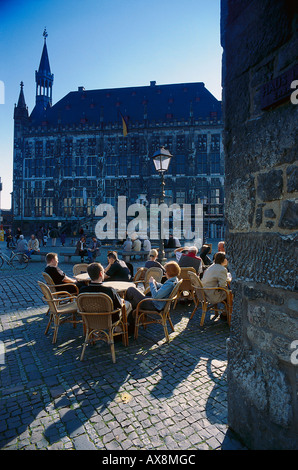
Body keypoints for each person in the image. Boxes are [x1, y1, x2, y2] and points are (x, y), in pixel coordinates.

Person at [201, 252, 232, 317]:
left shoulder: (211, 266)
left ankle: (225, 312)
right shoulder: (222, 269)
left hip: (205, 292)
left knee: (229, 292)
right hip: (212, 295)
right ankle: (226, 314)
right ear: (224, 260)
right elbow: (222, 286)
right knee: (231, 295)